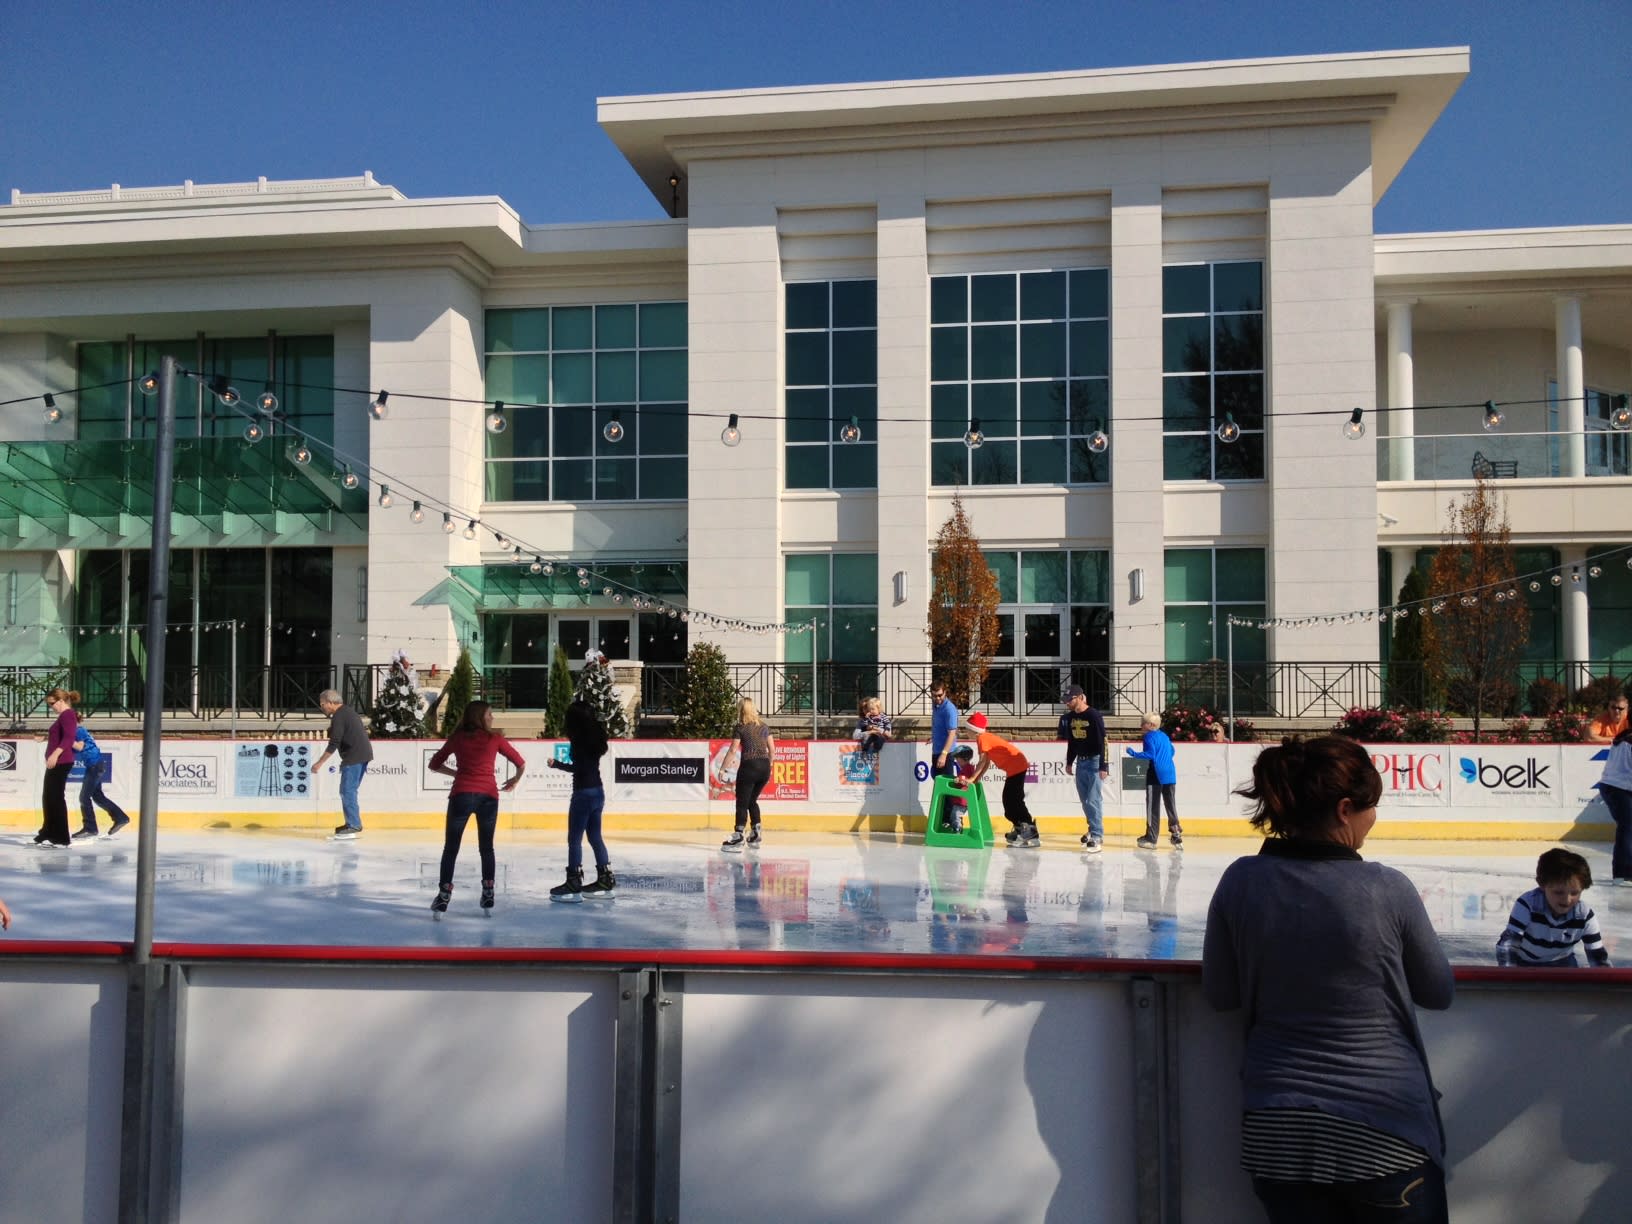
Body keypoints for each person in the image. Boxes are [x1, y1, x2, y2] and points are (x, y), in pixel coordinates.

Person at [1202, 735, 1454, 1224]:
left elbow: (1220, 994)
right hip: (1387, 1133)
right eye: (1371, 807)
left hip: (1279, 1133)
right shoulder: (1386, 888)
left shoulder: (1240, 882)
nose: (1373, 819)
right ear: (1344, 809)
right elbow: (1437, 992)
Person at [427, 701, 525, 914]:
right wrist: (515, 780)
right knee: (486, 847)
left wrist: (457, 774)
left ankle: (444, 894)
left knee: (451, 848)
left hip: (461, 796)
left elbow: (433, 764)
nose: (492, 718)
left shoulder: (458, 738)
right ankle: (488, 890)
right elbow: (521, 763)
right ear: (480, 717)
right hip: (488, 797)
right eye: (489, 714)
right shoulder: (495, 739)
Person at [546, 698, 615, 902]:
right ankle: (605, 878)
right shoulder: (596, 736)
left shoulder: (580, 739)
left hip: (583, 794)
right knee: (595, 837)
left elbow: (580, 768)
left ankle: (573, 882)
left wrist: (557, 764)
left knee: (574, 839)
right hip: (597, 792)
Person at [1496, 848, 1611, 966]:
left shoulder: (1584, 915)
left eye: (1575, 893)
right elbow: (1508, 945)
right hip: (1525, 964)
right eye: (1558, 892)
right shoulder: (1528, 905)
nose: (1567, 900)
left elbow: (1598, 956)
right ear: (1542, 884)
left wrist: (1607, 982)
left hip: (1563, 964)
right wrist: (1510, 975)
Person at [966, 711, 1037, 848]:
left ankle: (1029, 830)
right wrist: (975, 779)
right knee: (1011, 802)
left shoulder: (982, 738)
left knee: (1012, 802)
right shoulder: (984, 738)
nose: (965, 731)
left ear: (973, 730)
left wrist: (972, 778)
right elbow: (986, 762)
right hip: (1016, 768)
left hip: (1017, 767)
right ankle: (1022, 829)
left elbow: (981, 761)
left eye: (966, 728)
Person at [310, 689, 373, 840]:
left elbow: (334, 743)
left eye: (323, 704)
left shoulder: (339, 716)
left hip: (355, 756)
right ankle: (351, 823)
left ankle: (353, 824)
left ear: (331, 703)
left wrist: (319, 763)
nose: (322, 707)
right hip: (361, 754)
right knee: (349, 790)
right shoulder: (347, 712)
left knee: (347, 791)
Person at [1057, 684, 1108, 853]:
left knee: (1094, 799)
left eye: (1070, 700)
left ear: (1080, 697)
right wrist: (1070, 761)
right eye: (1065, 701)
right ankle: (1092, 827)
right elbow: (1072, 741)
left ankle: (1097, 834)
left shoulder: (1094, 715)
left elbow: (1103, 741)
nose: (1067, 703)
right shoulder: (1070, 717)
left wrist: (1103, 765)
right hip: (1081, 762)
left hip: (1094, 762)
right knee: (1085, 800)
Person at [722, 698, 774, 852]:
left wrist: (722, 769)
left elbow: (732, 750)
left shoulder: (741, 727)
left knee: (742, 801)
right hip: (764, 767)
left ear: (741, 710)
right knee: (752, 800)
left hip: (749, 766)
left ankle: (738, 835)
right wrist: (767, 765)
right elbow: (772, 750)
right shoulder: (764, 727)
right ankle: (756, 832)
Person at [1127, 712, 1182, 850]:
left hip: (1156, 773)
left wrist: (1134, 754)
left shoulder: (1148, 736)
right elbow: (1172, 751)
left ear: (1151, 725)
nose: (1141, 726)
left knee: (1153, 806)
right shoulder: (1164, 736)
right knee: (1170, 804)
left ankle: (1151, 838)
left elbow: (1150, 754)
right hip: (1170, 773)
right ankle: (1176, 833)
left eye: (1143, 723)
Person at [33, 687, 79, 847]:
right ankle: (48, 831)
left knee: (56, 798)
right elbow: (60, 736)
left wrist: (55, 754)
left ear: (60, 701)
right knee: (49, 798)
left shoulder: (68, 714)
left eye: (52, 703)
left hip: (61, 762)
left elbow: (69, 738)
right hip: (57, 762)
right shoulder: (63, 716)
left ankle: (61, 836)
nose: (51, 707)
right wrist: (45, 738)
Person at [70, 724, 131, 840]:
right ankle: (121, 817)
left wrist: (66, 740)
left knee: (84, 797)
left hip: (95, 765)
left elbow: (80, 747)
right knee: (97, 796)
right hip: (95, 765)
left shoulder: (79, 729)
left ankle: (90, 828)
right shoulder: (75, 732)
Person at [1595, 726, 1632, 885]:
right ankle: (1622, 874)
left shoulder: (1625, 735)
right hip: (1618, 788)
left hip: (1615, 786)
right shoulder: (1628, 738)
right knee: (1628, 826)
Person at [929, 681, 959, 781]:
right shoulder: (936, 706)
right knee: (939, 786)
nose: (937, 698)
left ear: (945, 692)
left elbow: (952, 734)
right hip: (937, 751)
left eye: (939, 695)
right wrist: (934, 737)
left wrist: (944, 754)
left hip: (946, 754)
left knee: (946, 788)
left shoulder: (949, 709)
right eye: (934, 695)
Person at [943, 745, 976, 832]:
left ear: (964, 758)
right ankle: (957, 827)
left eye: (957, 758)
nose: (956, 761)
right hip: (960, 799)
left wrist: (959, 779)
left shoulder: (968, 768)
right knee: (954, 814)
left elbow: (967, 779)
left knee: (956, 814)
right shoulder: (966, 768)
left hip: (962, 799)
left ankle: (957, 828)